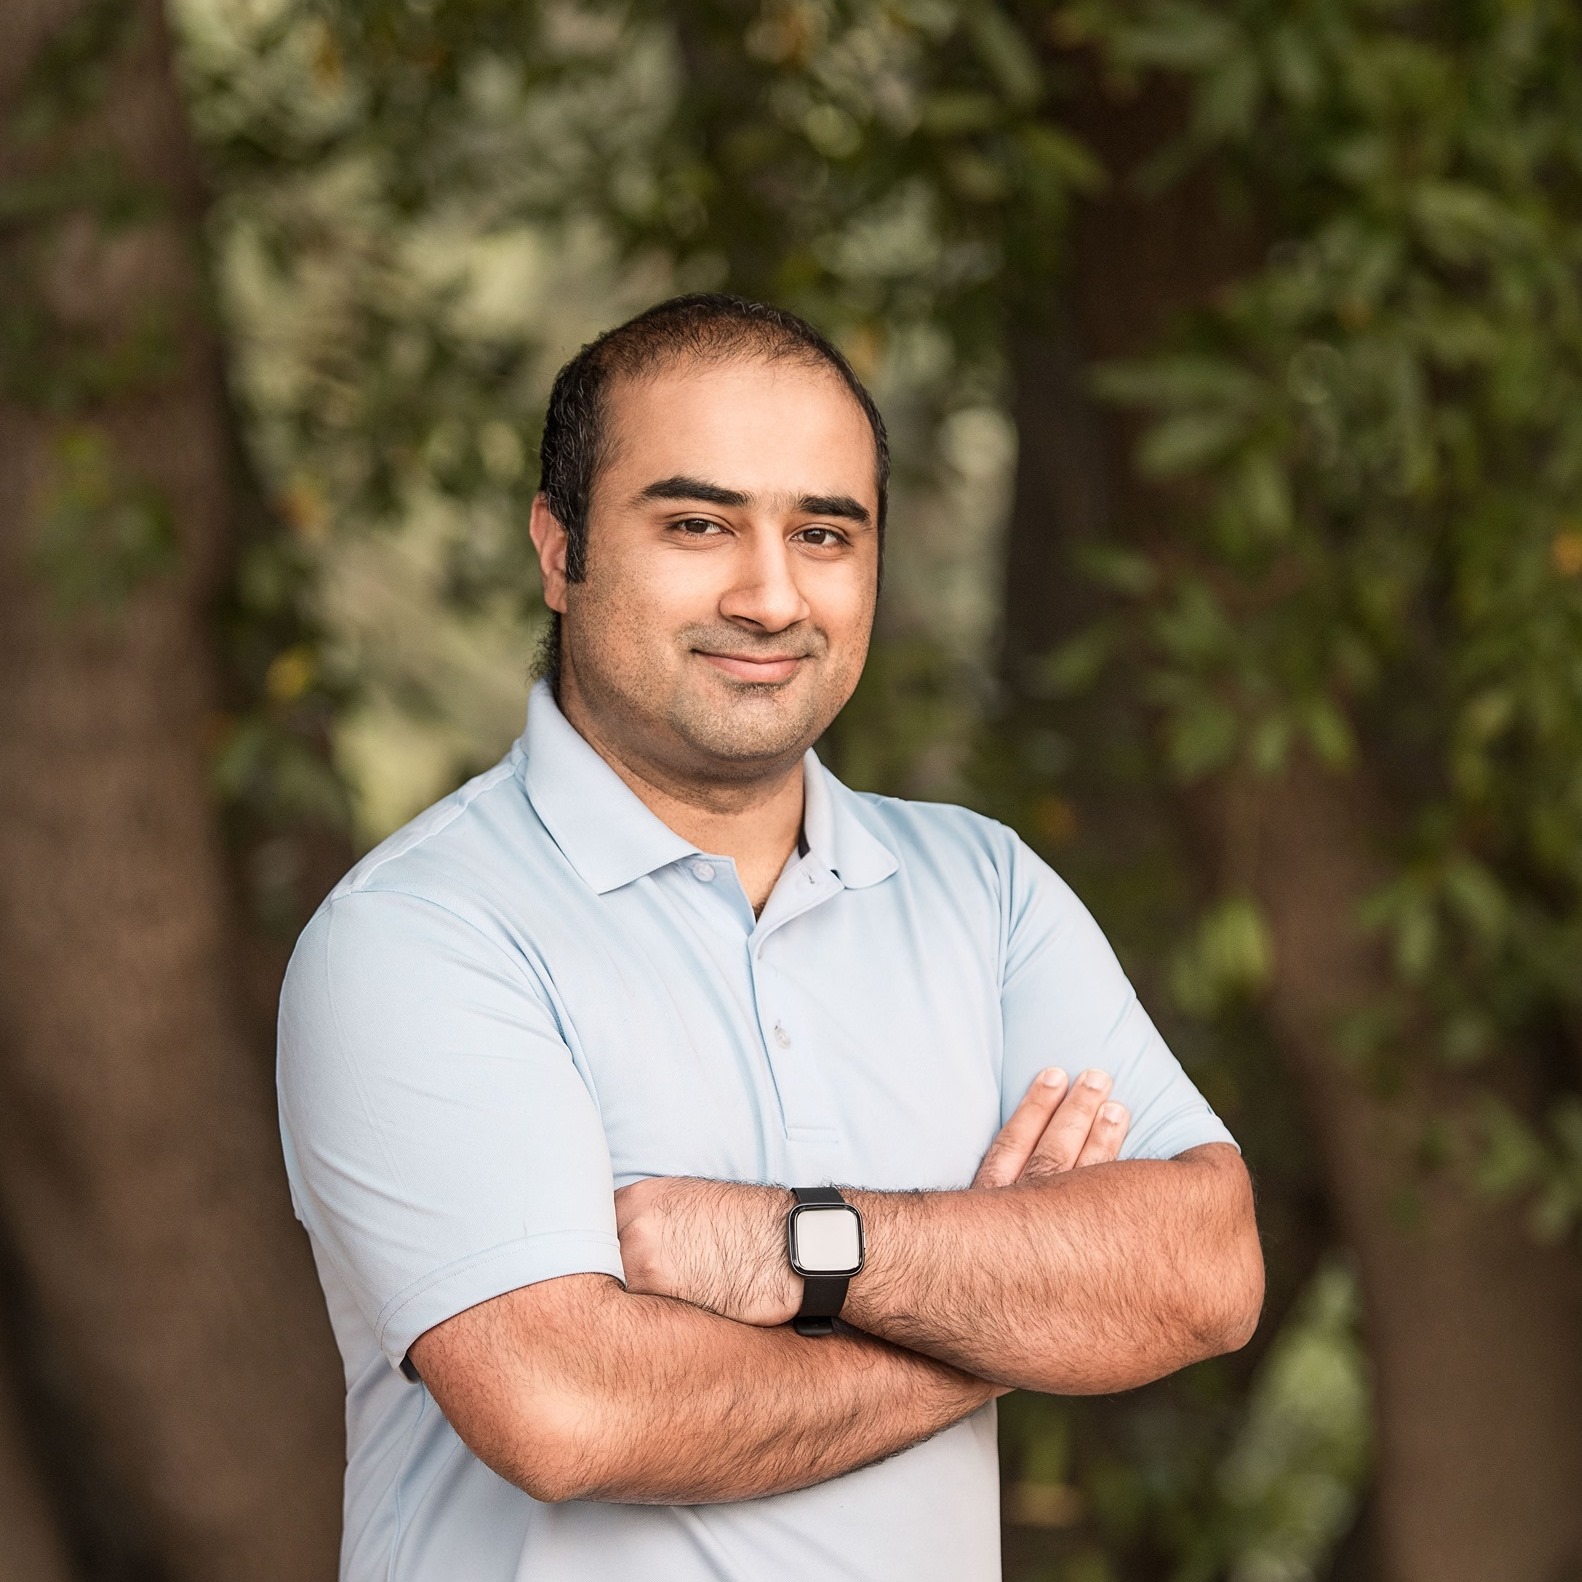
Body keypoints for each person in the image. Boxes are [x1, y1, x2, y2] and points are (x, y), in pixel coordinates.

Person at [277, 293, 1263, 1582]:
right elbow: (569, 1410)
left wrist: (794, 1248)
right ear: (560, 549)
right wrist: (1002, 1315)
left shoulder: (985, 891)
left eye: (824, 534)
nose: (771, 594)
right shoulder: (419, 934)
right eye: (698, 525)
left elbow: (1207, 1270)